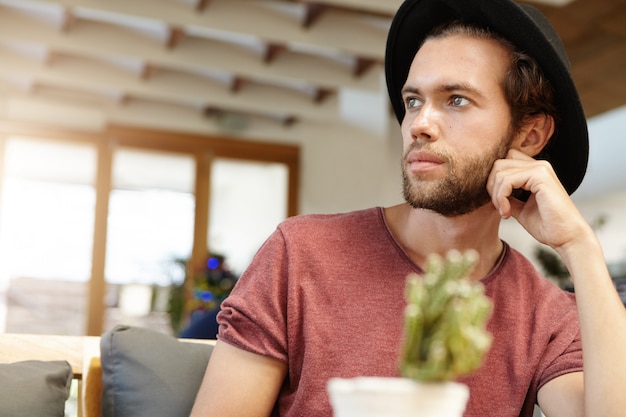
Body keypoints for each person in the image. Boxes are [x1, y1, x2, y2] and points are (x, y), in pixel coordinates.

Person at [190, 1, 626, 416]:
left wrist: (579, 245)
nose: (419, 124)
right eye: (413, 100)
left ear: (529, 136)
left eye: (456, 99)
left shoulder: (545, 312)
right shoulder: (300, 253)